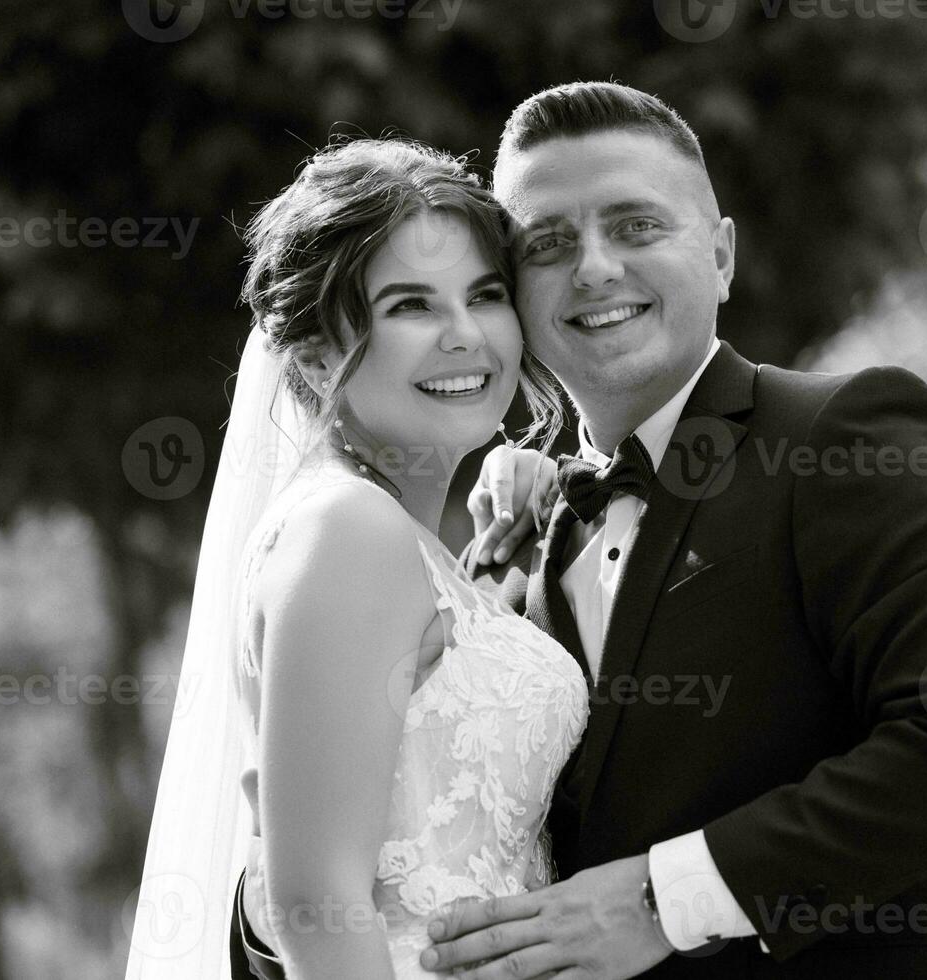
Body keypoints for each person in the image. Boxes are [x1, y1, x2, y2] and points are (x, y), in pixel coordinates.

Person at [235, 82, 927, 980]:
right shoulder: (505, 544)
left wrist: (663, 899)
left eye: (636, 227)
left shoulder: (845, 435)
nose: (594, 269)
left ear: (724, 256)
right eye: (546, 244)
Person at [125, 137, 582, 980]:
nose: (465, 336)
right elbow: (315, 905)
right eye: (410, 306)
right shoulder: (348, 530)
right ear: (314, 355)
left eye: (484, 295)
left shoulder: (395, 537)